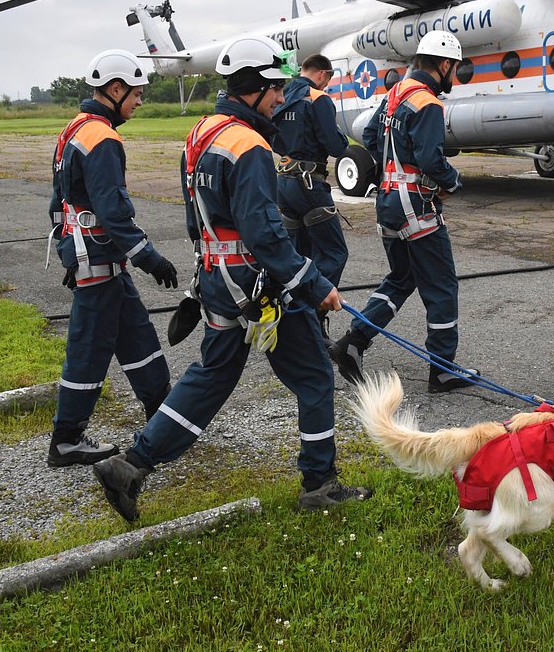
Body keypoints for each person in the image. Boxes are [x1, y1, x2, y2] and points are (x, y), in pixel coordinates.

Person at [93, 35, 370, 521]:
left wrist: (203, 281)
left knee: (211, 377)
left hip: (220, 282)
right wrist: (316, 284)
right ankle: (319, 483)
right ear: (255, 88)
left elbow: (194, 220)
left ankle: (131, 464)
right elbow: (266, 236)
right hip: (259, 288)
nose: (282, 99)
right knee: (313, 377)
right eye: (277, 90)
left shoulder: (200, 134)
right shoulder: (250, 146)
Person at [46, 49, 179, 467]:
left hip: (97, 260)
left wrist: (69, 252)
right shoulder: (102, 138)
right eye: (136, 93)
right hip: (100, 262)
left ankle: (162, 424)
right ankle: (66, 440)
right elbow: (114, 212)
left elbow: (57, 203)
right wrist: (151, 258)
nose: (140, 101)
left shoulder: (74, 130)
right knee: (88, 349)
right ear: (115, 89)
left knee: (140, 340)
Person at [328, 30, 472, 393]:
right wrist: (451, 182)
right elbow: (431, 160)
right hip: (417, 207)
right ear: (443, 65)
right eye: (453, 68)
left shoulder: (396, 93)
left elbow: (372, 135)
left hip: (388, 202)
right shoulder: (428, 103)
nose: (453, 75)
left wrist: (394, 164)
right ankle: (442, 369)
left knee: (402, 278)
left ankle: (354, 342)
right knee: (441, 287)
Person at [271, 54, 350, 339]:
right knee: (333, 252)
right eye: (328, 80)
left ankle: (295, 320)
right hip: (309, 183)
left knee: (300, 255)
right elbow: (335, 144)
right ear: (322, 74)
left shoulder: (282, 96)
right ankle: (316, 312)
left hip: (284, 181)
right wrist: (341, 139)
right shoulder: (318, 99)